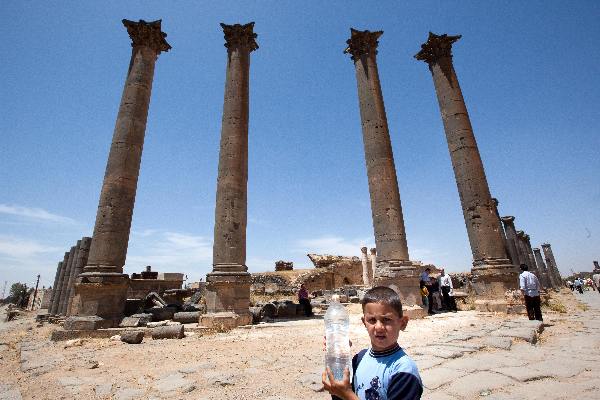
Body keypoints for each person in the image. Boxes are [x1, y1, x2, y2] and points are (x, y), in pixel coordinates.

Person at [322, 286, 423, 400]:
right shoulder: (359, 359)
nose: (379, 327)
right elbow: (341, 393)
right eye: (372, 320)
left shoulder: (404, 370)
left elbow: (346, 394)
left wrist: (347, 394)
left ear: (403, 323)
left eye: (387, 319)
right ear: (364, 322)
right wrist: (338, 359)